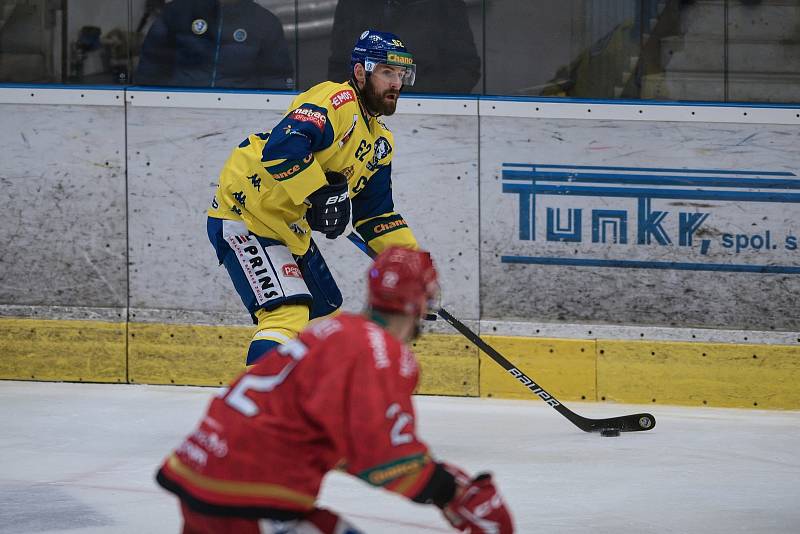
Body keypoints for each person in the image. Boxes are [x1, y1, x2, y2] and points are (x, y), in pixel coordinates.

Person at [156, 247, 514, 534]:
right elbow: (382, 455)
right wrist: (448, 491)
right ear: (421, 303)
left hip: (199, 470)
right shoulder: (380, 353)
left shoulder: (332, 330)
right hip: (249, 493)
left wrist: (432, 474)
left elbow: (344, 443)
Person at [207, 30, 421, 364]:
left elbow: (376, 215)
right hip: (246, 214)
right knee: (286, 315)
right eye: (387, 72)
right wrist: (319, 193)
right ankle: (259, 410)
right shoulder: (336, 101)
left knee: (324, 315)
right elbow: (281, 150)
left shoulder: (380, 142)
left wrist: (414, 267)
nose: (396, 83)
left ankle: (305, 401)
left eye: (401, 74)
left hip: (287, 226)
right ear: (361, 72)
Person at [327, 0, 481, 94]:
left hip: (428, 118)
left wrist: (421, 97)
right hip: (362, 115)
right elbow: (339, 67)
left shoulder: (445, 5)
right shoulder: (351, 5)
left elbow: (465, 69)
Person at [135, 0, 293, 89]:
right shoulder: (177, 12)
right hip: (178, 108)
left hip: (242, 112)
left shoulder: (264, 21)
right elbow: (150, 69)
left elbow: (276, 78)